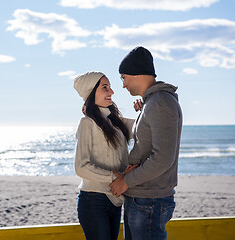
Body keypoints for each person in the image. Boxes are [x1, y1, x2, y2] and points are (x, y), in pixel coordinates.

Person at [110, 46, 183, 240]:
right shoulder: (153, 103)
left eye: (123, 77)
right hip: (143, 197)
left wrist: (126, 181)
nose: (123, 85)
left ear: (136, 74)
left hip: (149, 200)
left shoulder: (160, 102)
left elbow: (162, 158)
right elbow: (147, 142)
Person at [73, 71, 137, 240]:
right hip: (93, 201)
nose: (111, 92)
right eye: (105, 88)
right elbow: (81, 167)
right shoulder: (87, 123)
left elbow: (142, 128)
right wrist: (113, 177)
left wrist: (146, 108)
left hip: (115, 201)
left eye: (110, 87)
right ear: (91, 92)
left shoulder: (116, 121)